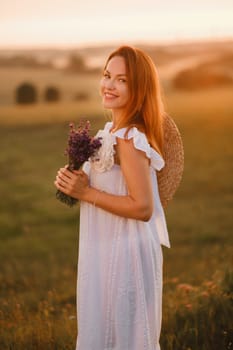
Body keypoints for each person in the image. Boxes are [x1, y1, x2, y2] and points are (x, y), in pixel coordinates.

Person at [54, 45, 170, 350]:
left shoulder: (130, 137)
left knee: (124, 339)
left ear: (140, 89)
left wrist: (86, 192)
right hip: (106, 248)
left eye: (123, 80)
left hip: (126, 252)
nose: (109, 85)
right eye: (107, 75)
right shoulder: (109, 133)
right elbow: (112, 187)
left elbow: (143, 207)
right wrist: (75, 183)